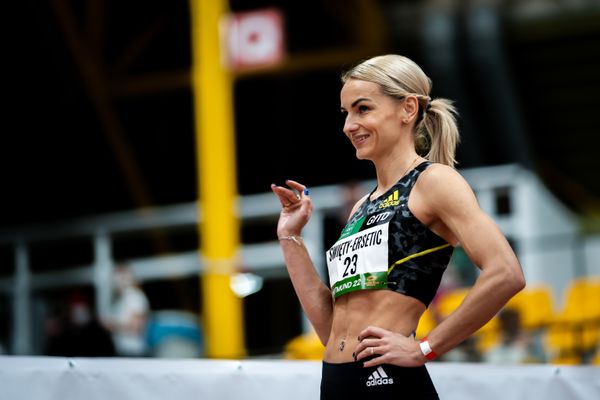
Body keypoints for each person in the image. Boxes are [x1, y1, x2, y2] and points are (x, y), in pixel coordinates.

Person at [270, 54, 525, 399]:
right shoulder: (363, 205)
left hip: (389, 381)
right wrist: (290, 236)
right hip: (336, 381)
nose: (348, 125)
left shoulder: (435, 182)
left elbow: (506, 272)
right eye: (346, 113)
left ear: (407, 109)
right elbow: (331, 327)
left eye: (363, 109)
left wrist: (425, 348)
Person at [102, 264, 150, 357]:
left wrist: (112, 325)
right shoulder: (120, 299)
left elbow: (136, 327)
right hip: (122, 351)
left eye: (121, 276)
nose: (118, 280)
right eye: (116, 277)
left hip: (134, 352)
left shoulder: (135, 296)